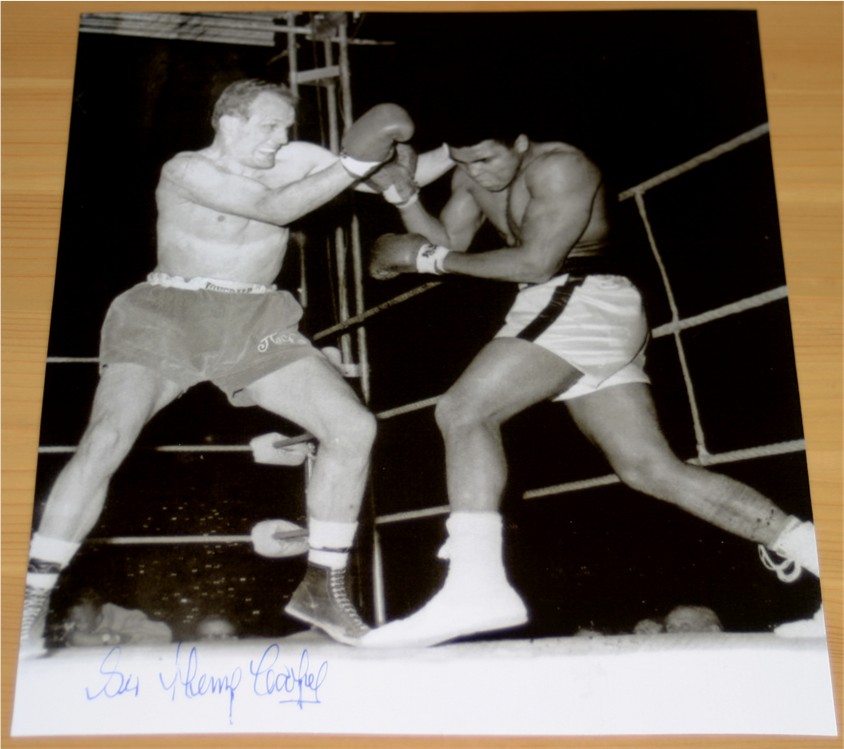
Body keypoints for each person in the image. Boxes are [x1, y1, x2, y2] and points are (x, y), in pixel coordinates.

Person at [20, 78, 453, 656]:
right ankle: (30, 597)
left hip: (254, 317)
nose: (280, 141)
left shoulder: (298, 157)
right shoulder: (185, 170)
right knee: (106, 438)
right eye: (268, 126)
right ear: (228, 121)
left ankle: (323, 589)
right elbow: (277, 206)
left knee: (354, 428)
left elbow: (389, 178)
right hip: (167, 313)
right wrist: (354, 161)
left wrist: (458, 151)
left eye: (286, 129)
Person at [361, 123, 823, 648]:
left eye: (487, 159)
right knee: (651, 470)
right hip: (563, 310)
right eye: (464, 162)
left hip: (583, 298)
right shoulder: (472, 173)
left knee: (465, 411)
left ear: (519, 141)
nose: (476, 173)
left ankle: (475, 586)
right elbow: (447, 245)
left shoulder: (561, 166)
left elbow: (535, 263)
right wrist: (403, 194)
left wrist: (421, 257)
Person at [64, 589, 172, 647]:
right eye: (70, 620)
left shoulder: (123, 617)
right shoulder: (68, 630)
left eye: (79, 621)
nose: (73, 626)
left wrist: (118, 638)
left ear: (98, 618)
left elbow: (165, 634)